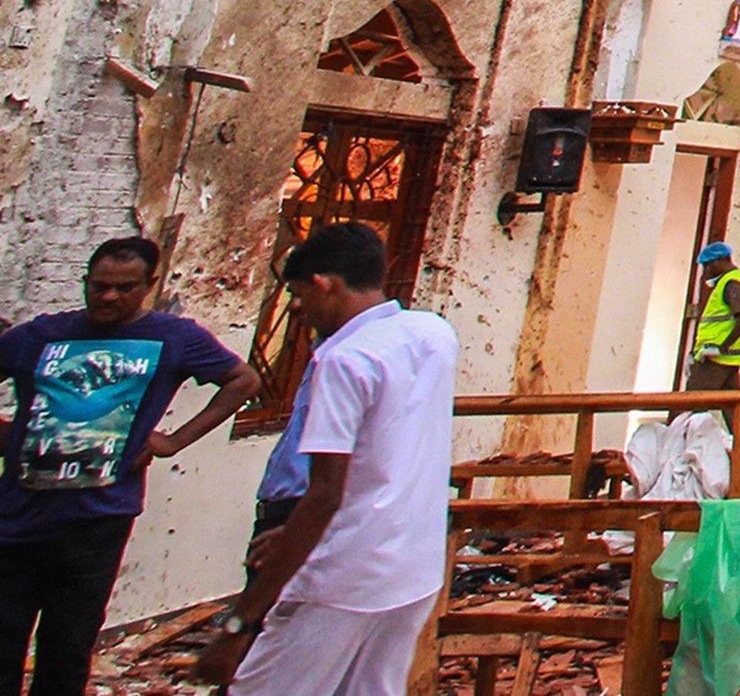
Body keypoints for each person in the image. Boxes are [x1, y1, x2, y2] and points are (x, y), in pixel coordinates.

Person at [192, 221, 456, 696]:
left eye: (297, 295)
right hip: (412, 564)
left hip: (343, 574)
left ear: (324, 283)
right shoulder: (432, 334)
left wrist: (239, 625)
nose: (297, 308)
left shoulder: (344, 360)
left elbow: (325, 494)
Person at [0, 236, 258, 696]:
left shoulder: (173, 338)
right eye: (99, 286)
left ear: (149, 285)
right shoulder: (41, 336)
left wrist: (173, 441)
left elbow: (242, 379)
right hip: (17, 517)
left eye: (123, 288)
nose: (109, 297)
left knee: (67, 646)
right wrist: (13, 436)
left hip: (98, 519)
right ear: (85, 283)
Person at [686, 243, 740, 390]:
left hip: (714, 358)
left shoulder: (731, 283)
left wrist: (721, 348)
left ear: (719, 261)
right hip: (725, 358)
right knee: (733, 407)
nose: (705, 273)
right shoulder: (731, 281)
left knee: (692, 403)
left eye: (707, 266)